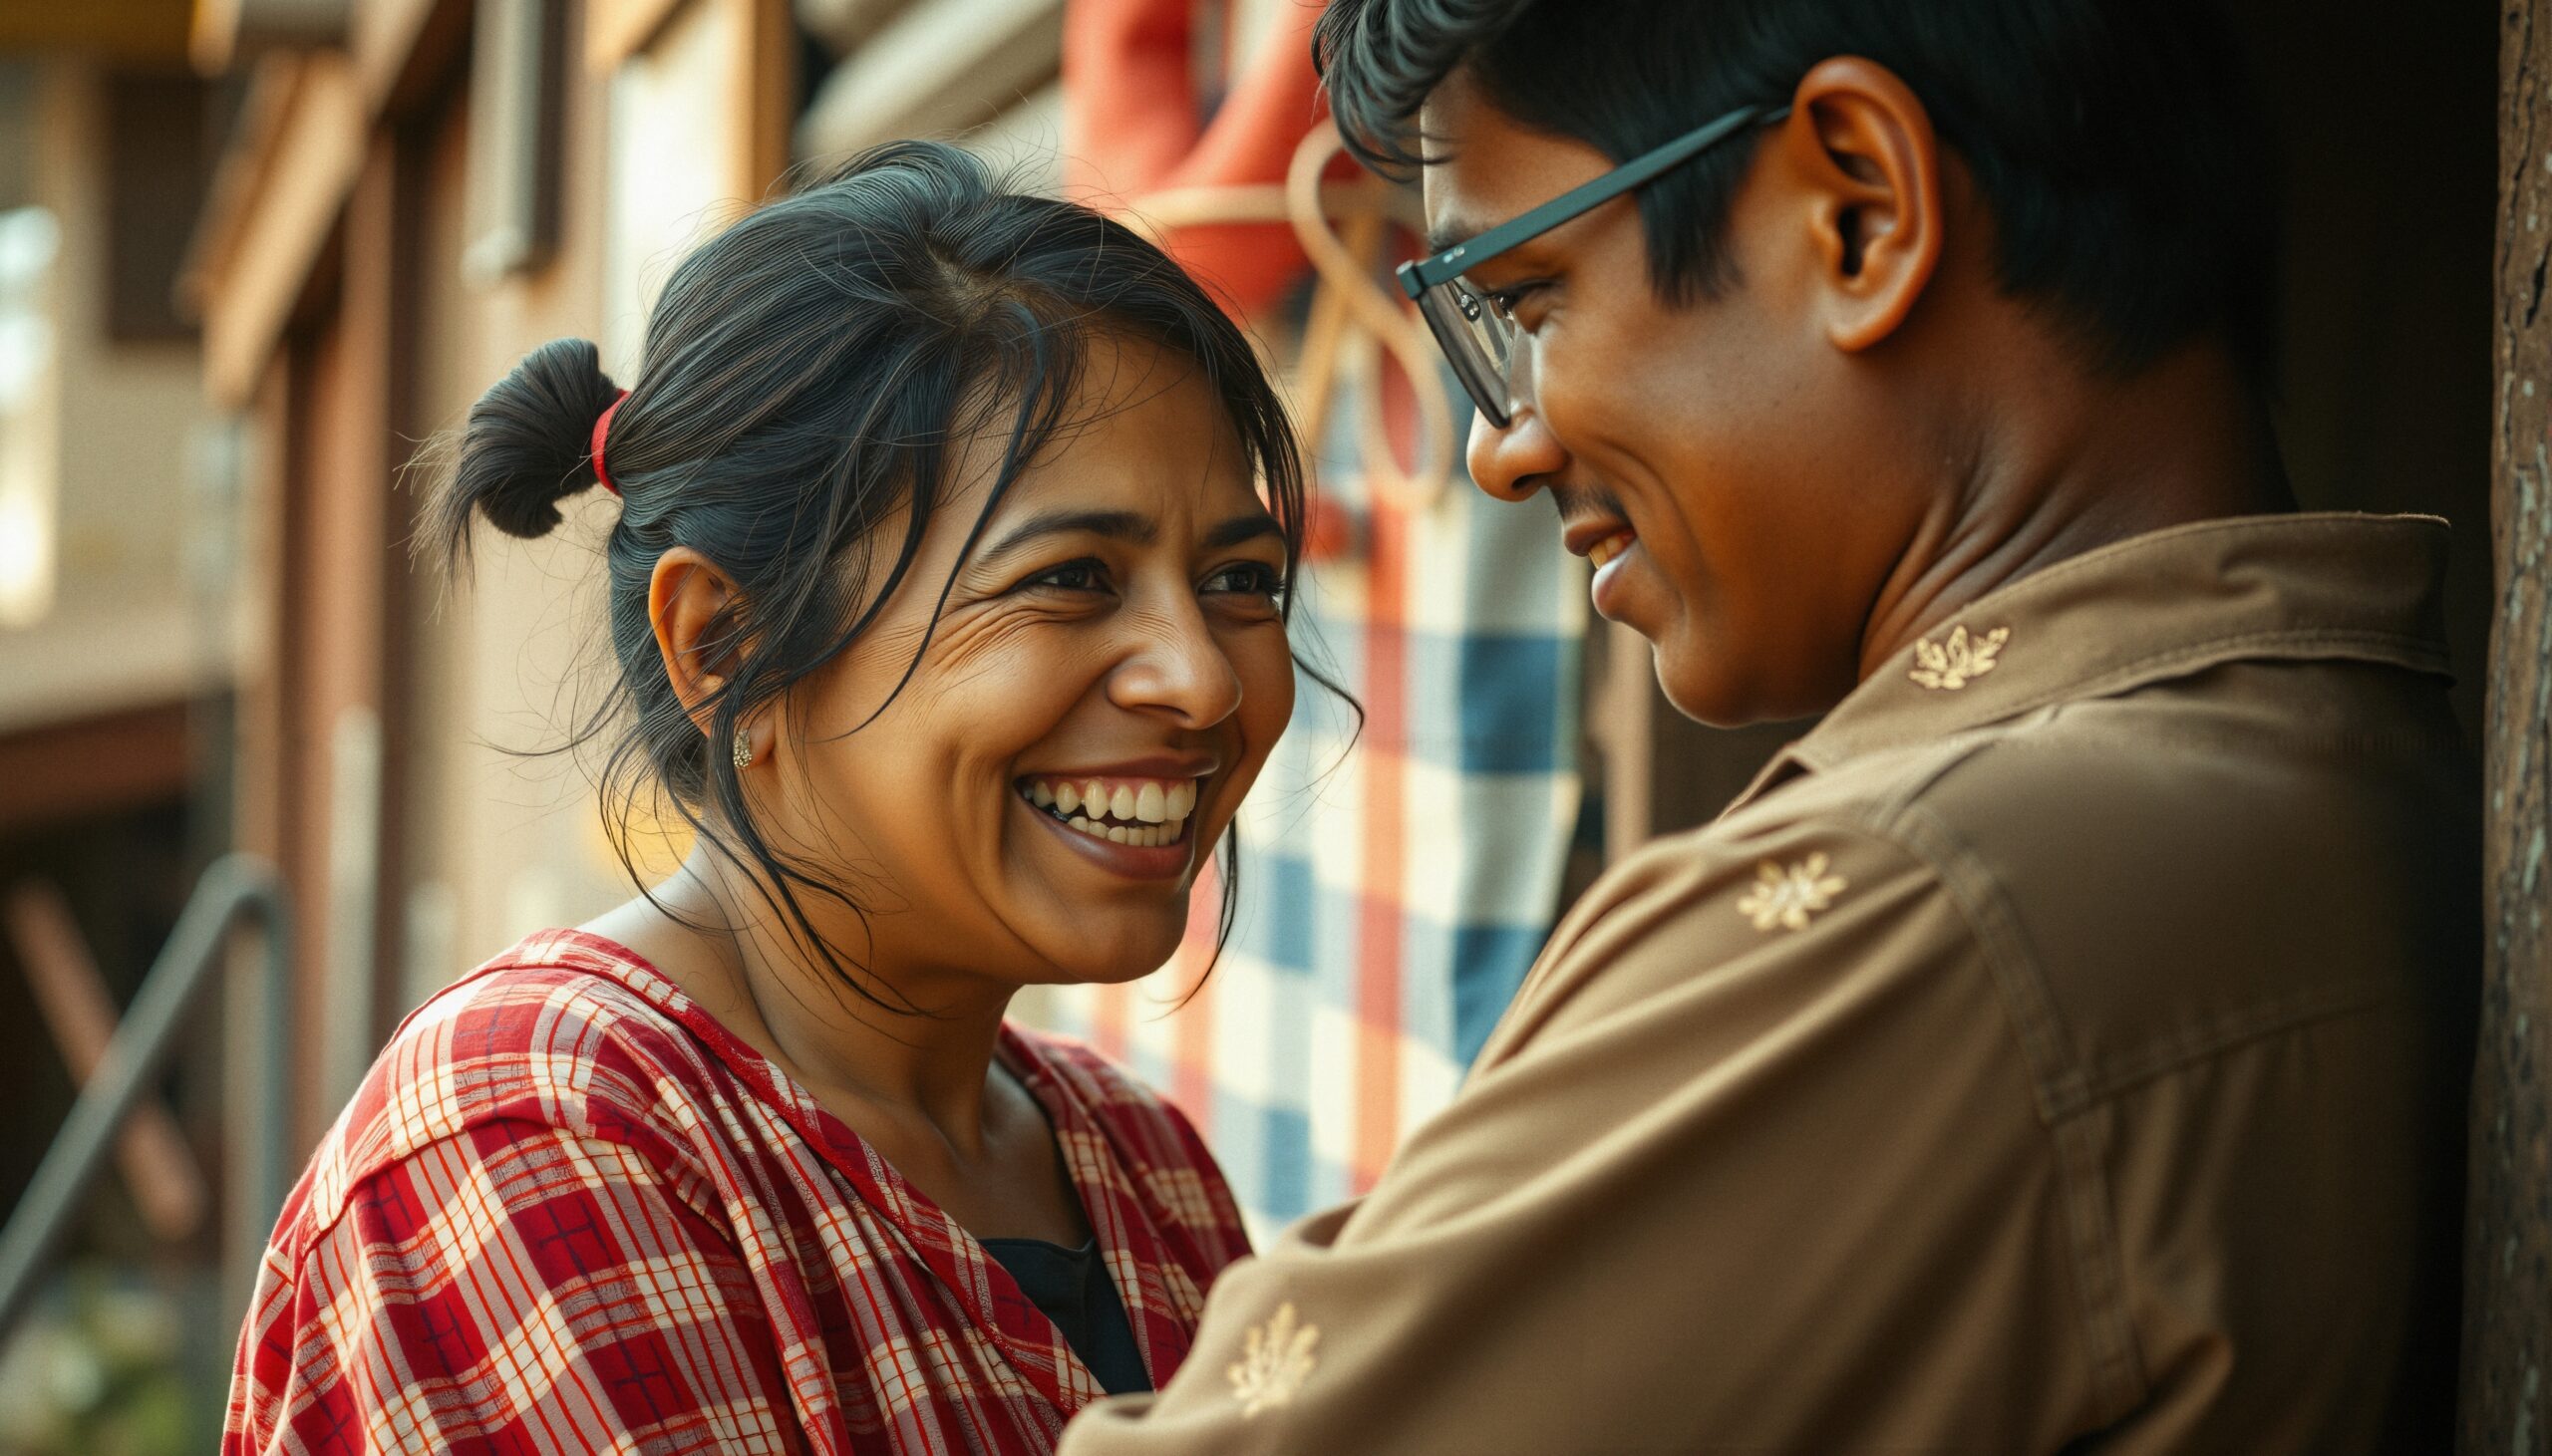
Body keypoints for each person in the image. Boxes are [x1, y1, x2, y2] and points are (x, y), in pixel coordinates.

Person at [1057, 1, 2475, 1452]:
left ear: (1859, 210)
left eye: (1527, 302)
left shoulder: (1922, 906)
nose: (1502, 444)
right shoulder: (2358, 757)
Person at [224, 142, 1322, 1455]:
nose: (1203, 680)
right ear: (727, 645)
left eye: (1241, 580)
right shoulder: (539, 1136)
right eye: (1075, 577)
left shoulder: (1145, 1166)